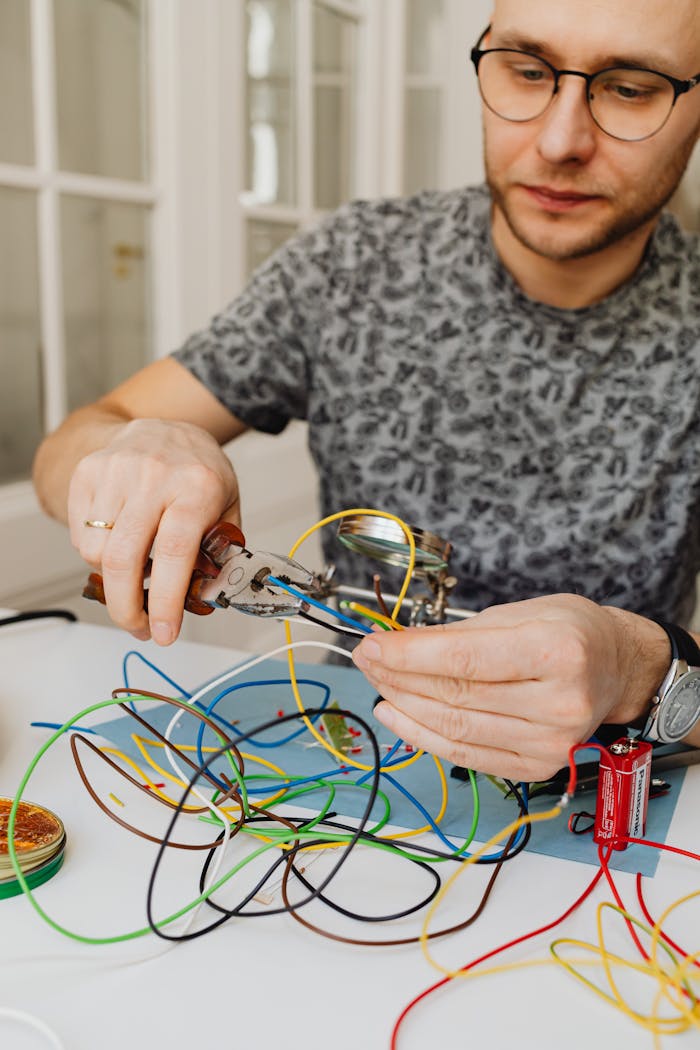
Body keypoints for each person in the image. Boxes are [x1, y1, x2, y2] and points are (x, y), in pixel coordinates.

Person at [33, 0, 700, 780]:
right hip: (355, 772)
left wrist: (641, 671)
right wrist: (135, 445)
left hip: (613, 798)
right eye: (526, 71)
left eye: (629, 88)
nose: (559, 141)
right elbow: (72, 445)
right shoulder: (354, 267)